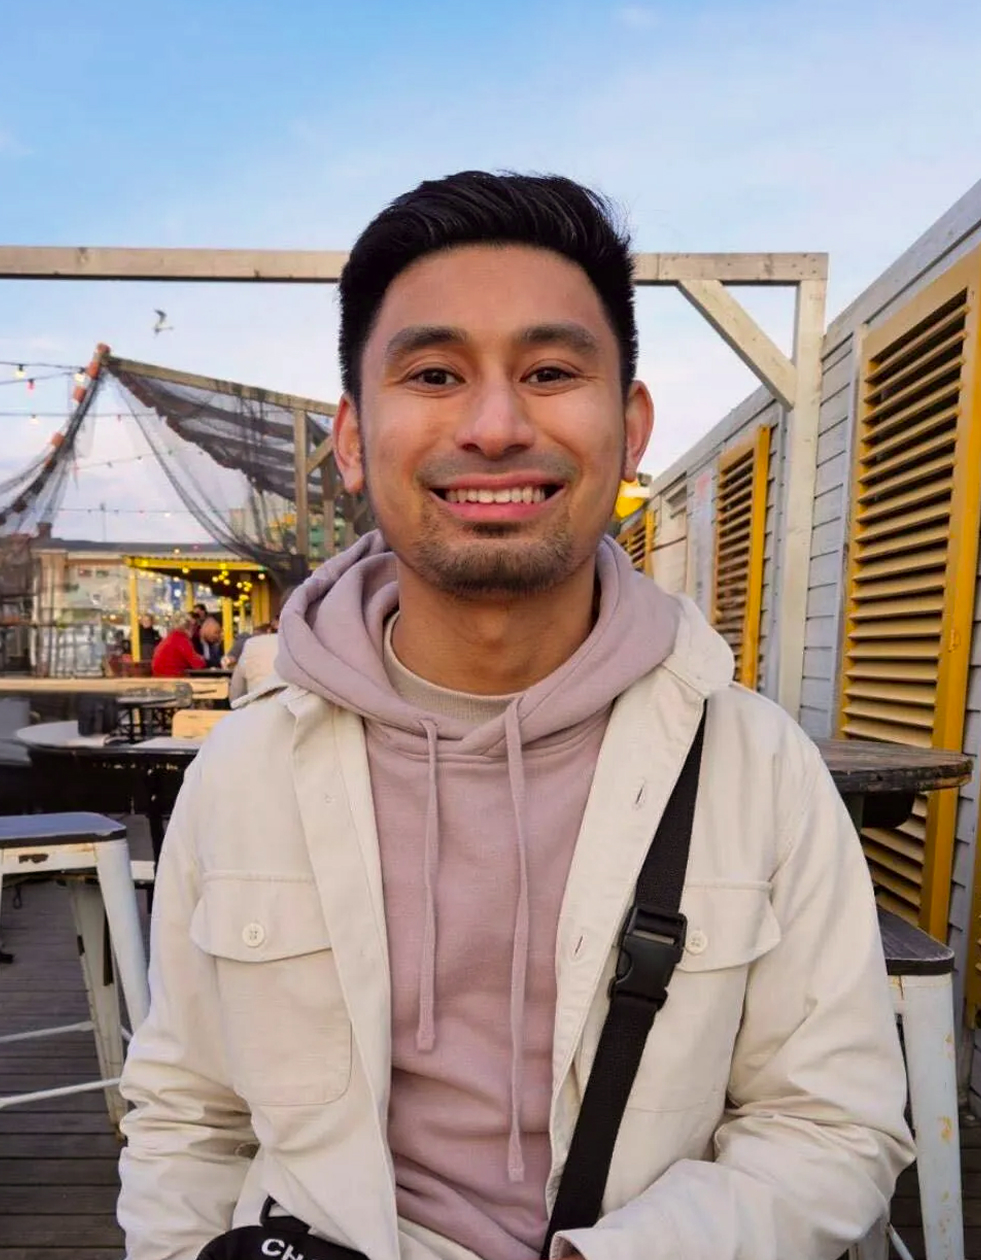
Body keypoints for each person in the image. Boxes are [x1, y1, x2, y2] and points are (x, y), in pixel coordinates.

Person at [118, 172, 913, 1260]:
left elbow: (832, 1124)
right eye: (434, 375)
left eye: (549, 372)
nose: (494, 427)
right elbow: (188, 1117)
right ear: (352, 437)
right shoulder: (247, 769)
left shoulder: (756, 766)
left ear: (630, 428)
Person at [150, 617, 218, 678]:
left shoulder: (170, 638)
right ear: (187, 628)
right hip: (172, 678)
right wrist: (204, 660)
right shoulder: (181, 639)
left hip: (159, 677)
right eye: (193, 628)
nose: (194, 631)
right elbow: (197, 664)